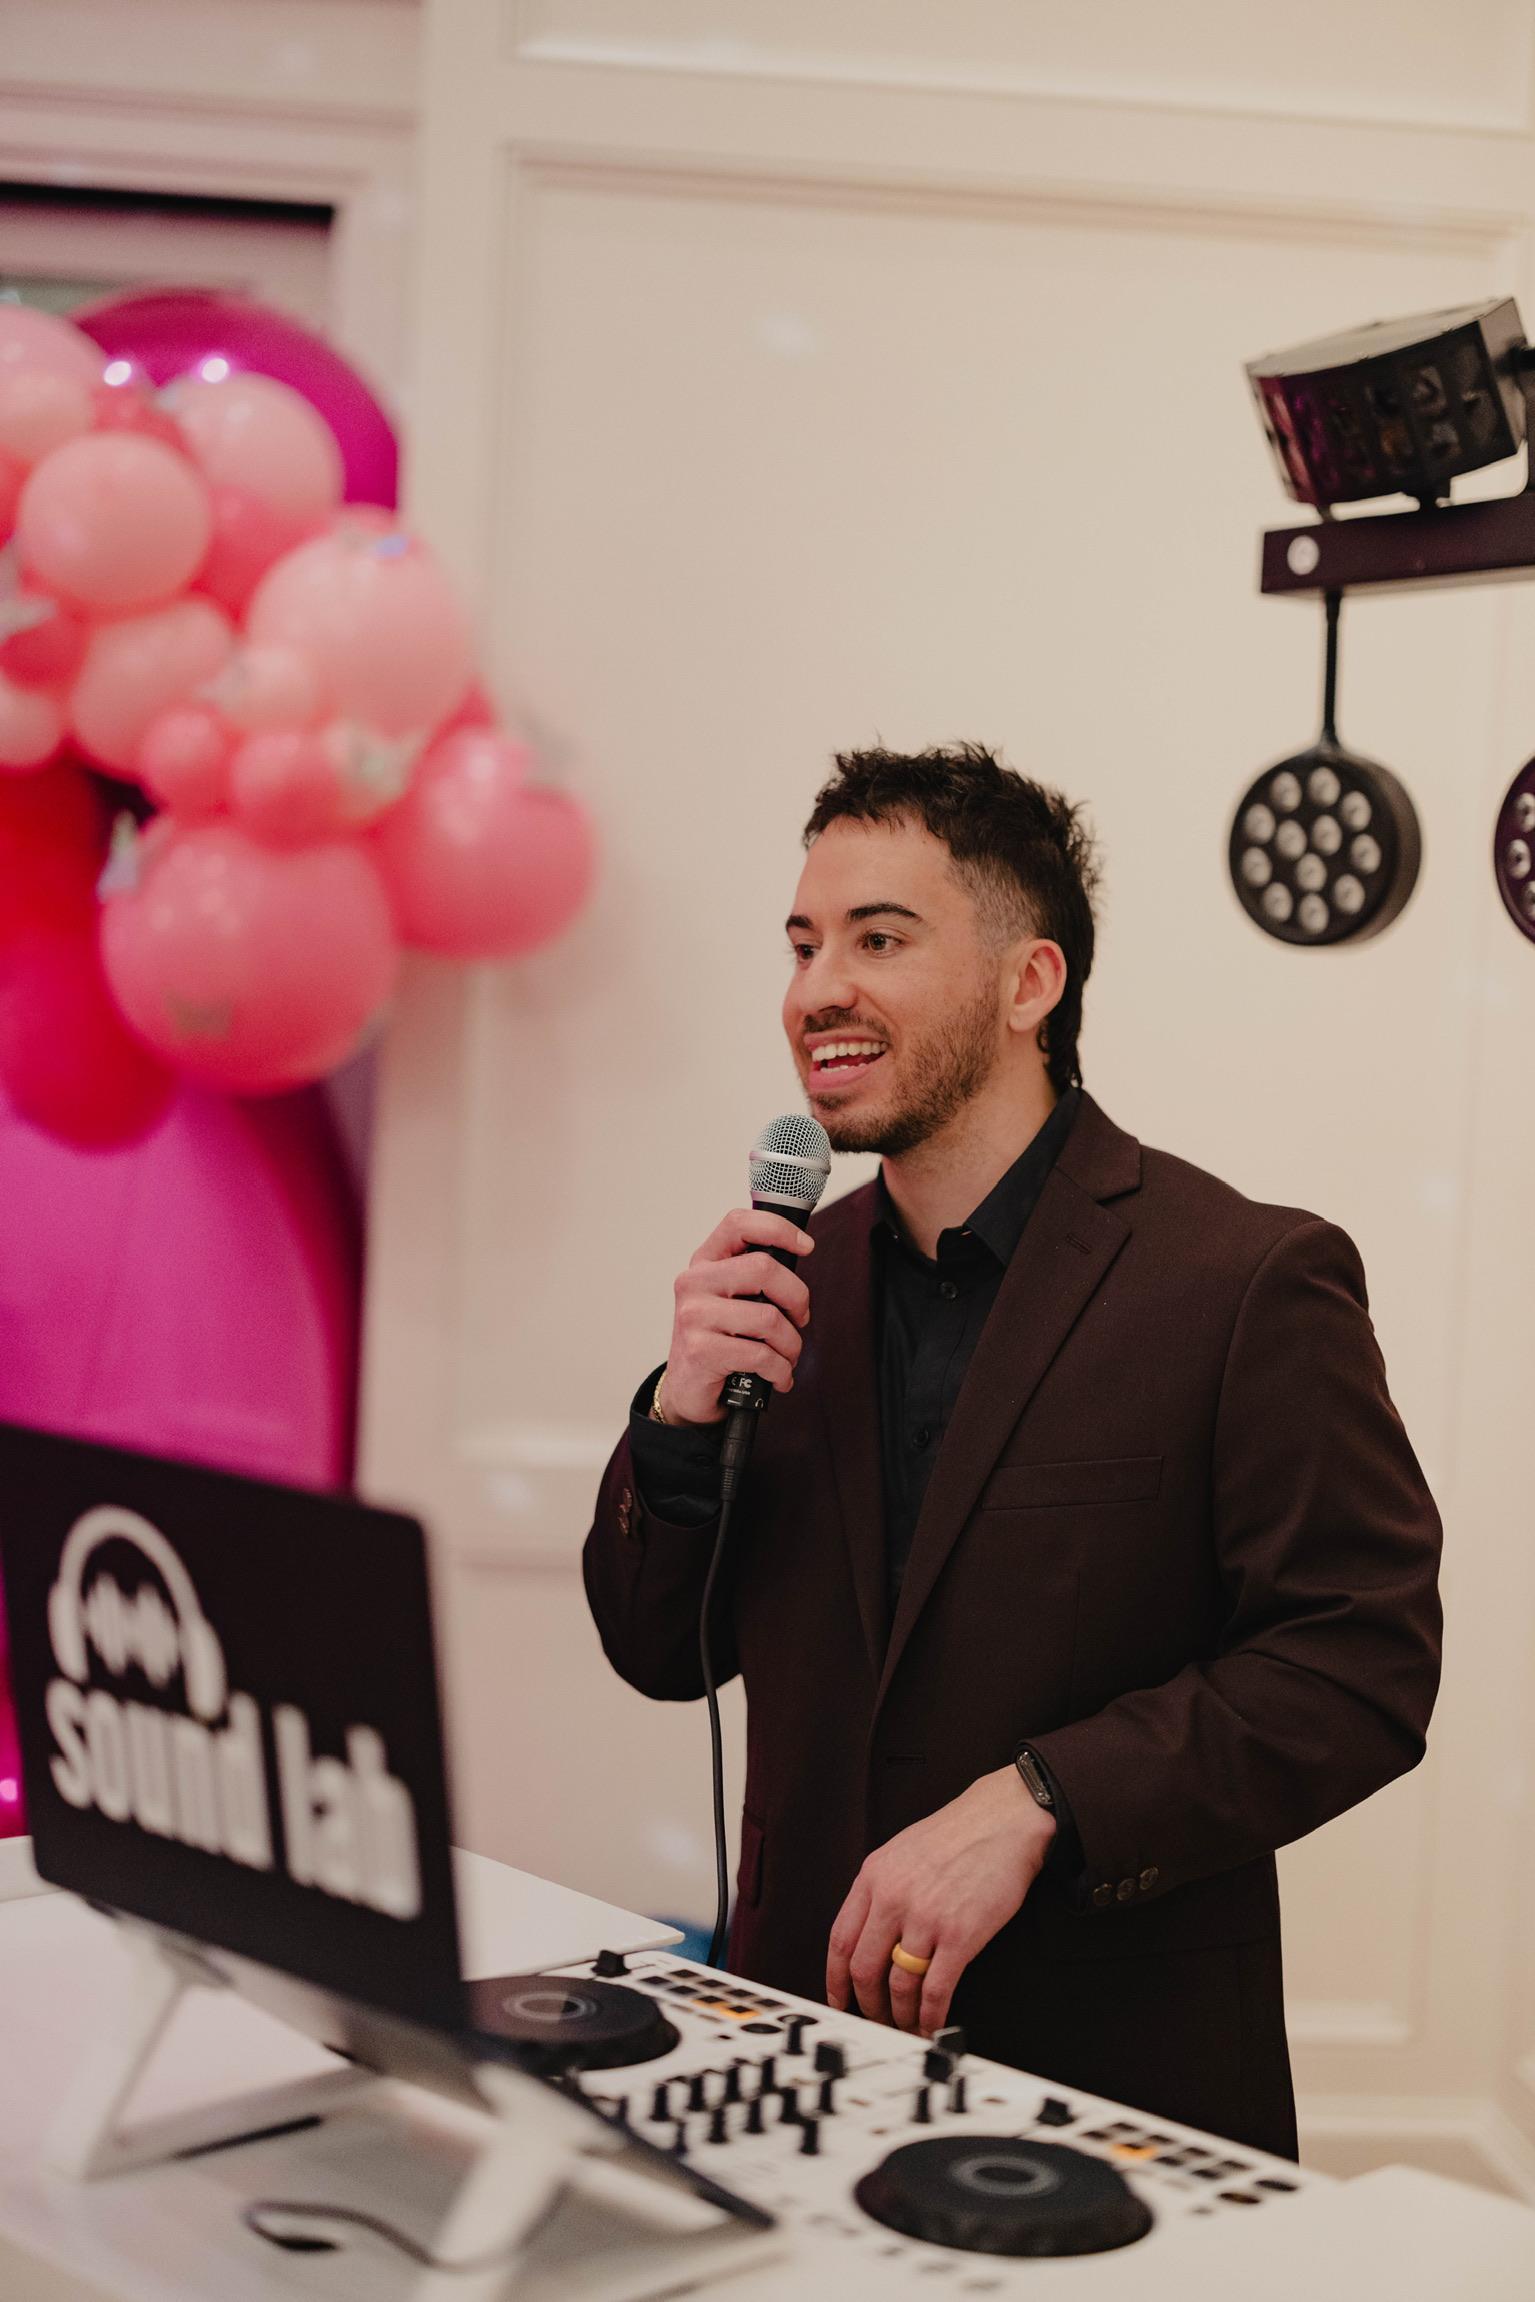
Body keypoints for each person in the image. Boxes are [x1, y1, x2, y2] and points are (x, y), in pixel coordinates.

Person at [582, 744, 1442, 2158]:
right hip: (798, 2059)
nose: (816, 990)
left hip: (1112, 2094)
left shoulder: (1244, 1280)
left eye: (878, 939)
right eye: (802, 944)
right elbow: (658, 1650)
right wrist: (676, 1422)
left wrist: (1045, 1798)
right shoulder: (783, 1284)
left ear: (1030, 983)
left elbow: (1361, 1664)